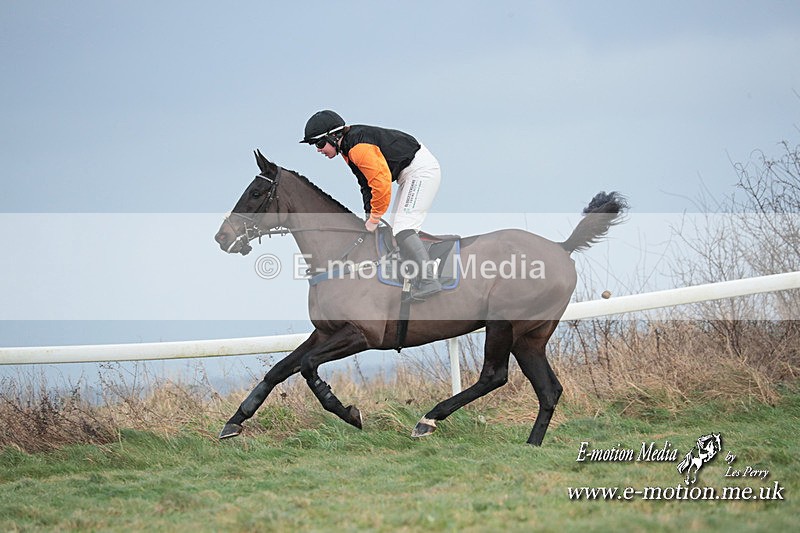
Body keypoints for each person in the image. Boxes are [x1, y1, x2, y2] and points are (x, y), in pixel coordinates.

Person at [300, 110, 442, 300]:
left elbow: (381, 184)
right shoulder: (347, 149)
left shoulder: (358, 148)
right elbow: (365, 185)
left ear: (334, 136)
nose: (318, 150)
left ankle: (429, 280)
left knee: (403, 228)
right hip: (407, 174)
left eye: (319, 143)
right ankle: (416, 276)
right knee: (398, 229)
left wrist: (374, 218)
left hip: (420, 171)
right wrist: (369, 216)